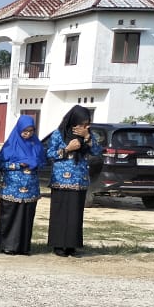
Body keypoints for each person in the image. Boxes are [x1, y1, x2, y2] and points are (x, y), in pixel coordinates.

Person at [46, 105, 102, 257]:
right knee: (60, 213)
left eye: (87, 124)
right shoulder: (59, 134)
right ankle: (59, 246)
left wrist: (87, 137)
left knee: (75, 215)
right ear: (73, 121)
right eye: (82, 123)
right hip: (61, 180)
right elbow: (49, 154)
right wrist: (67, 149)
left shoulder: (88, 135)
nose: (84, 126)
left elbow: (97, 152)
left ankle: (72, 246)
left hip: (79, 180)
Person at [0, 114, 48, 256]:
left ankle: (23, 246)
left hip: (30, 187)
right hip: (12, 187)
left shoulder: (36, 144)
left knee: (26, 217)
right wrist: (17, 164)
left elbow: (43, 162)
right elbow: (0, 164)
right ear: (19, 129)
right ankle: (7, 246)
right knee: (10, 216)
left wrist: (35, 163)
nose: (28, 134)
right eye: (25, 131)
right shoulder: (10, 144)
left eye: (31, 131)